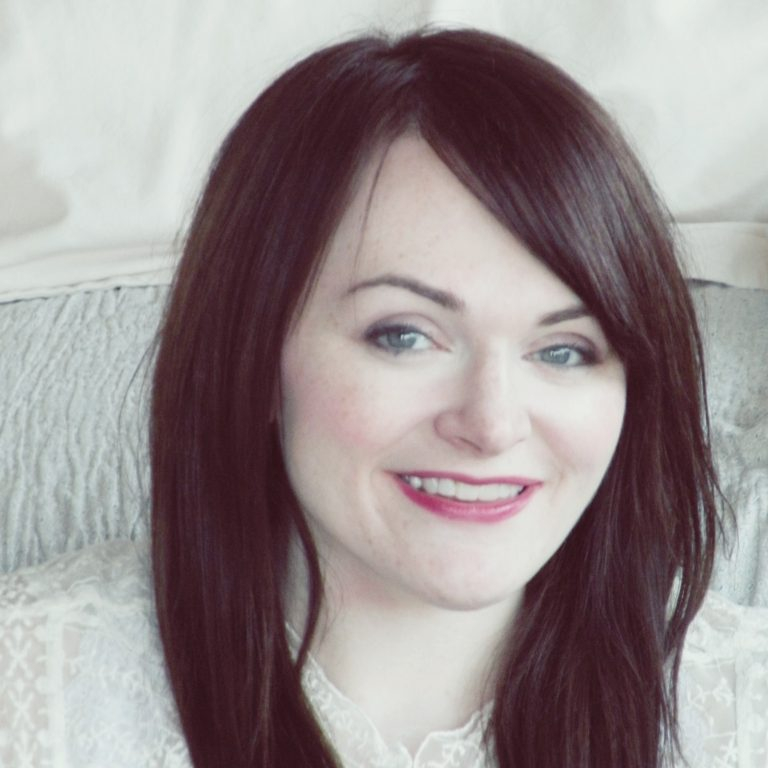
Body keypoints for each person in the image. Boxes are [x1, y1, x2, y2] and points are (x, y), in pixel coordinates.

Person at [1, 27, 766, 768]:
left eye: (563, 351)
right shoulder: (28, 693)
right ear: (253, 356)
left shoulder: (743, 708)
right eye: (403, 336)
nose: (492, 423)